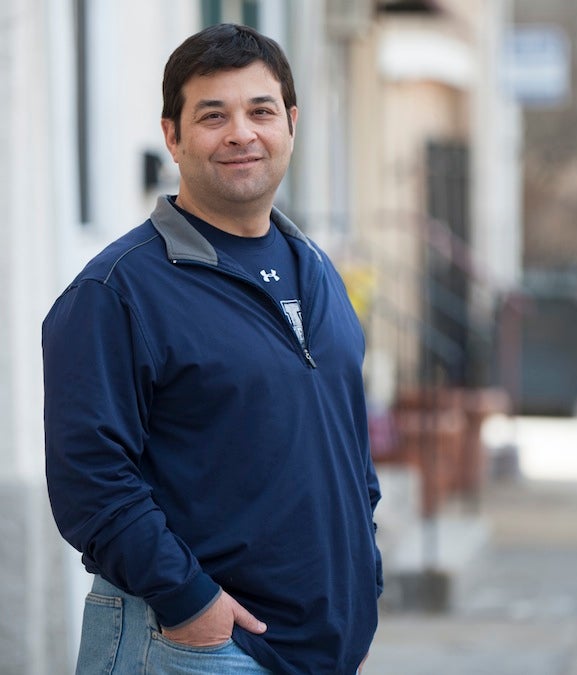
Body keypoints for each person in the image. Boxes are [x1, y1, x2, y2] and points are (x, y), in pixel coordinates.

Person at [43, 22, 382, 675]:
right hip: (196, 647)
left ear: (290, 122)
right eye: (212, 115)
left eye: (260, 111)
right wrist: (191, 602)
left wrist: (359, 575)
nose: (240, 133)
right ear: (172, 135)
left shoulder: (316, 270)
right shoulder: (117, 291)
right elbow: (90, 479)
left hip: (319, 645)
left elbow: (345, 441)